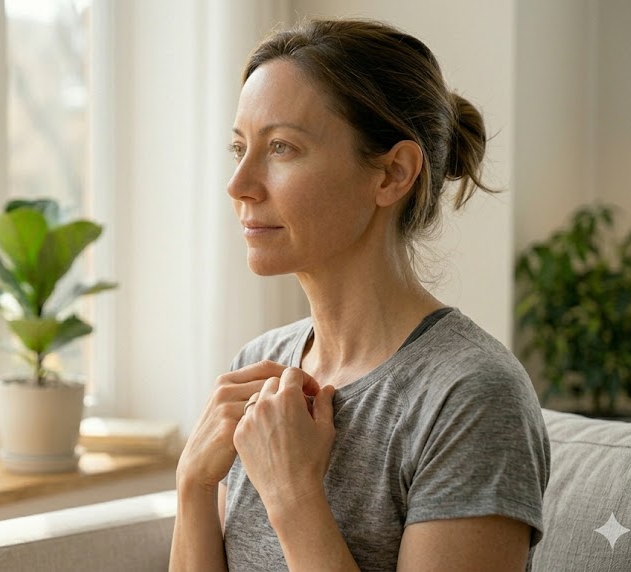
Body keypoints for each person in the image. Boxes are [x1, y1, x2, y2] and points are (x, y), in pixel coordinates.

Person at [169, 19, 550, 572]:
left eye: (280, 147)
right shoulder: (257, 368)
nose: (240, 184)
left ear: (393, 174)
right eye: (239, 149)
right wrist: (192, 486)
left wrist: (294, 496)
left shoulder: (471, 397)